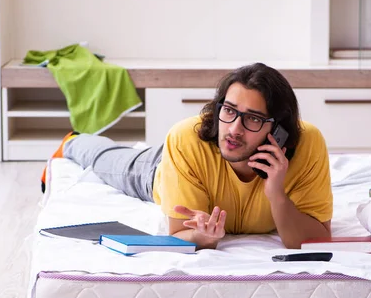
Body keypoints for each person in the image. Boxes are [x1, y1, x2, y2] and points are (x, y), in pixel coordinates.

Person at [41, 63, 333, 249]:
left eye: (253, 119)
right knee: (106, 159)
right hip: (159, 170)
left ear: (279, 130)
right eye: (228, 111)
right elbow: (179, 233)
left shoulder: (309, 145)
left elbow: (315, 241)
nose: (233, 130)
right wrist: (202, 239)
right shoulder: (186, 139)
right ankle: (73, 141)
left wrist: (277, 195)